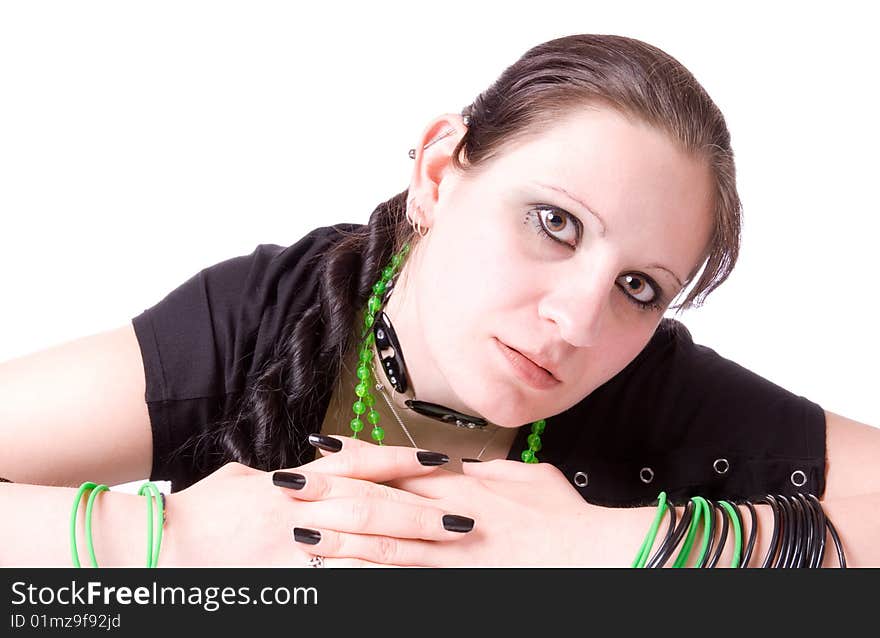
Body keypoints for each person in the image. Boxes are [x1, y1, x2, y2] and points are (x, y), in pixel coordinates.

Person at [1, 33, 878, 567]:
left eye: (640, 288)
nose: (578, 321)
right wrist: (168, 546)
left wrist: (596, 551)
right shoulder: (266, 318)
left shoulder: (650, 386)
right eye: (554, 222)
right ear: (437, 172)